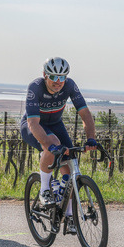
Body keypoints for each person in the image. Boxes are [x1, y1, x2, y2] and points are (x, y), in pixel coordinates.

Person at [20, 58, 98, 233]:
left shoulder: (70, 85)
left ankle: (69, 216)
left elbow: (85, 114)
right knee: (53, 145)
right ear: (45, 75)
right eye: (54, 77)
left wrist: (91, 138)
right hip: (33, 125)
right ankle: (45, 189)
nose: (58, 82)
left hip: (56, 123)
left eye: (62, 77)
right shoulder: (35, 87)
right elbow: (33, 123)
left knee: (70, 166)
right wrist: (50, 145)